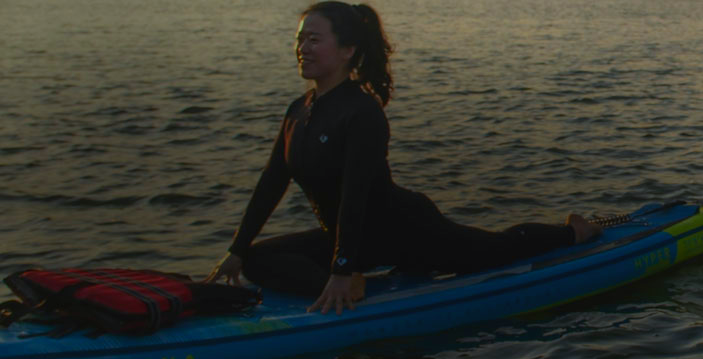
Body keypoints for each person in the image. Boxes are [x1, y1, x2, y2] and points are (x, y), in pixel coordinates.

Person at [203, 2, 600, 314]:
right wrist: (237, 248)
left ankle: (573, 232)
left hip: (404, 229)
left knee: (495, 251)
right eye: (299, 39)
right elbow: (272, 181)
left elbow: (355, 195)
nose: (302, 48)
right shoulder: (299, 110)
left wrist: (340, 269)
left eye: (314, 40)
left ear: (347, 50)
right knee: (257, 260)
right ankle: (347, 280)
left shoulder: (361, 112)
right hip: (349, 239)